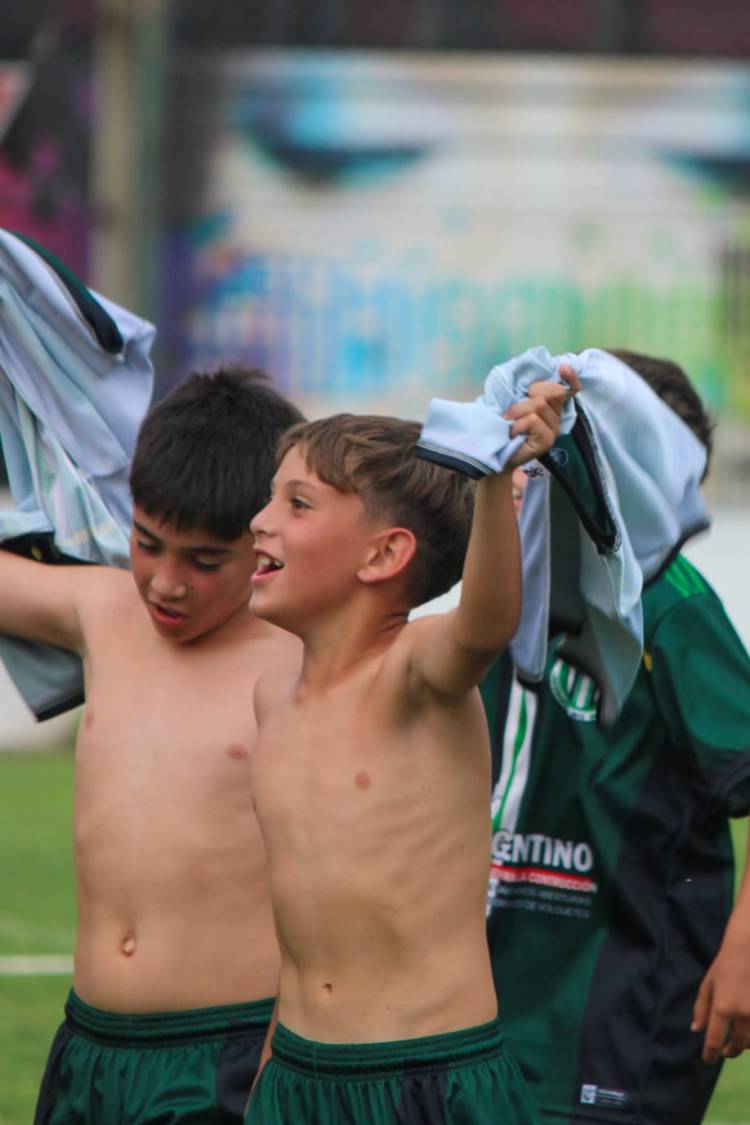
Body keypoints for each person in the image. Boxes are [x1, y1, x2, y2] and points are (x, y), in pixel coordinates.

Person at [243, 372, 574, 1123]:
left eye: (297, 504)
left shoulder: (416, 669)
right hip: (297, 1074)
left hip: (427, 1082)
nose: (260, 520)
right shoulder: (272, 698)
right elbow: (306, 930)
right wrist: (272, 1068)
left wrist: (494, 480)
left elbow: (487, 621)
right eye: (271, 496)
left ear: (384, 554)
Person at [0, 366, 303, 1125]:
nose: (166, 583)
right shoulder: (104, 610)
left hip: (222, 1053)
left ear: (265, 540)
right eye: (147, 544)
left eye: (204, 562)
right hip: (87, 1046)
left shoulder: (299, 660)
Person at [484, 350, 750, 1125]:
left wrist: (743, 949)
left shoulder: (671, 607)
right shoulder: (497, 590)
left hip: (621, 1019)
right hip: (489, 1006)